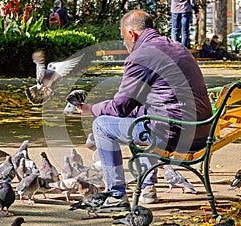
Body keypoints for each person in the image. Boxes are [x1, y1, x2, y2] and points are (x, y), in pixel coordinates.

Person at [75, 9, 212, 213]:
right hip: (202, 131)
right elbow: (140, 104)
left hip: (174, 135)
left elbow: (120, 106)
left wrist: (89, 108)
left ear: (132, 34)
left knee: (102, 125)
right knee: (144, 117)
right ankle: (147, 186)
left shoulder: (141, 56)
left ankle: (116, 195)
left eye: (123, 38)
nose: (124, 44)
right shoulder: (178, 47)